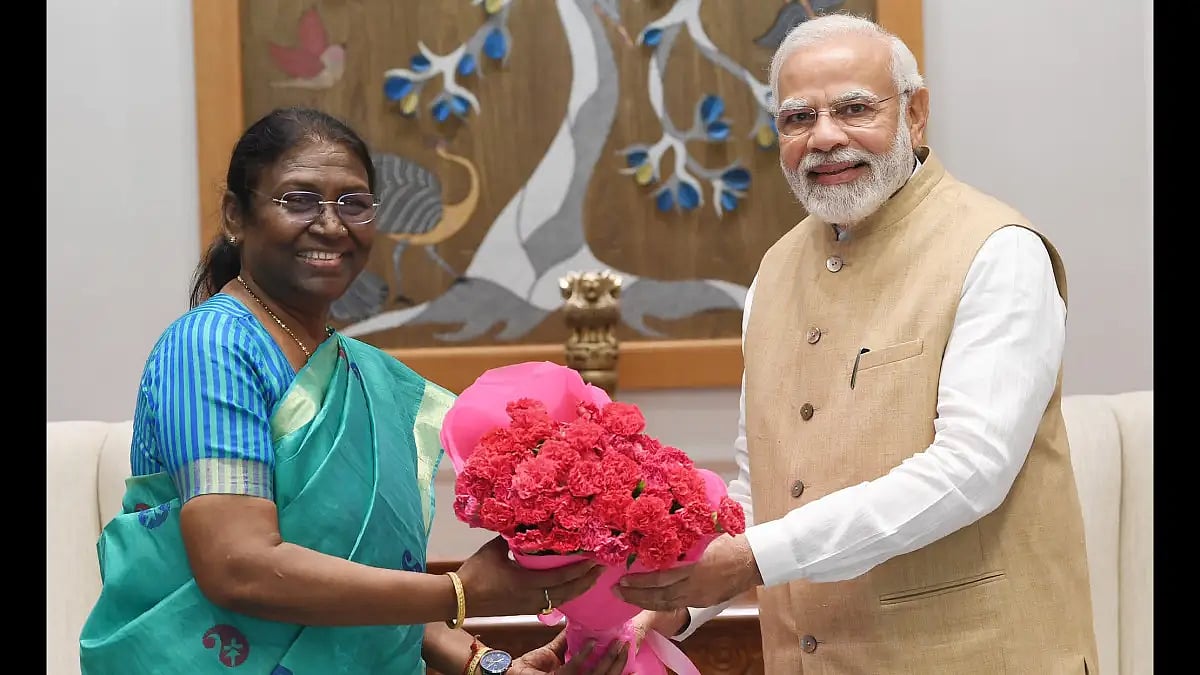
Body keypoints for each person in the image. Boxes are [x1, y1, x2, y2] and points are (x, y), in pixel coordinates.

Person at [616, 14, 1101, 674]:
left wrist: (754, 557)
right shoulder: (773, 273)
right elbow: (764, 485)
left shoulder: (999, 251)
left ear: (915, 114)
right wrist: (676, 602)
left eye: (853, 108)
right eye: (797, 118)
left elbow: (970, 470)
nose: (825, 138)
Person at [78, 106, 633, 675]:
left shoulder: (361, 374)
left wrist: (486, 664)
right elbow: (238, 565)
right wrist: (460, 592)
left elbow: (359, 572)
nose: (331, 224)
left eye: (354, 203)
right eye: (298, 199)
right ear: (235, 216)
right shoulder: (213, 347)